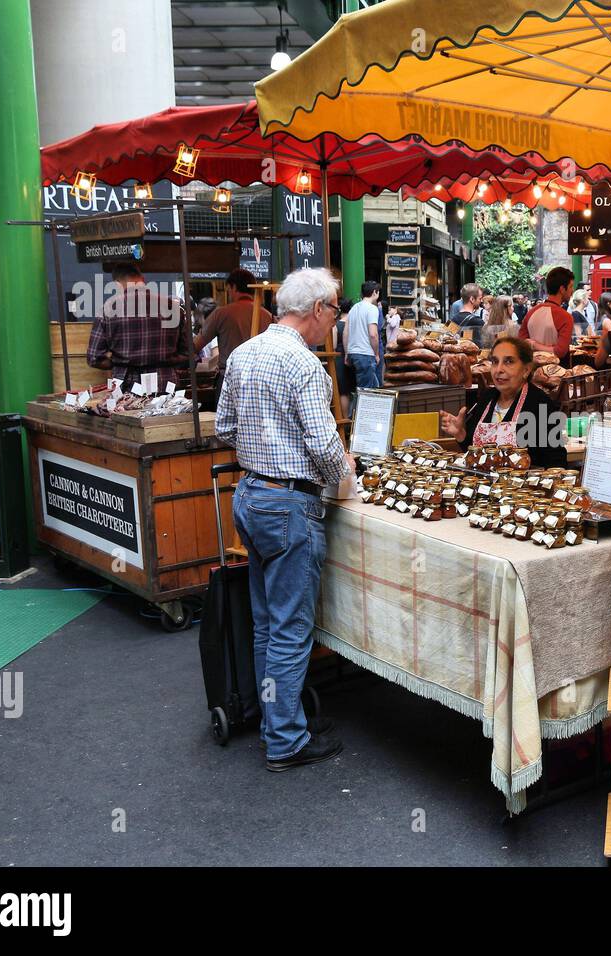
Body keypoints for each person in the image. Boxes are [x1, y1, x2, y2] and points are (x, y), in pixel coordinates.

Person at [216, 267, 353, 772]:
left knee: (267, 623)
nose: (334, 322)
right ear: (317, 309)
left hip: (250, 493)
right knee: (291, 628)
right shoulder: (304, 366)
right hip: (289, 504)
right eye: (335, 311)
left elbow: (225, 425)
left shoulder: (244, 353)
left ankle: (274, 716)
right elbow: (323, 446)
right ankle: (285, 740)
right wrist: (345, 475)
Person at [439, 336, 568, 467]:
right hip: (484, 485)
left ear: (526, 370)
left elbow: (557, 463)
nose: (499, 369)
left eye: (509, 362)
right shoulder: (486, 399)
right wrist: (461, 435)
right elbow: (476, 455)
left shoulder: (541, 405)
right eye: (495, 362)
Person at [87, 263, 187, 390]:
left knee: (127, 410)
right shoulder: (172, 307)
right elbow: (188, 352)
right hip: (165, 382)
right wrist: (168, 360)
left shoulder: (107, 309)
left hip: (126, 384)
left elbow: (94, 358)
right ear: (142, 279)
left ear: (117, 284)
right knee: (167, 410)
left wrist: (118, 362)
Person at [194, 269, 273, 383]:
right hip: (262, 379)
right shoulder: (268, 316)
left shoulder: (221, 314)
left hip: (229, 378)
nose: (229, 294)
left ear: (233, 287)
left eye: (228, 290)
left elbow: (196, 345)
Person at [519, 265, 574, 359]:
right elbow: (560, 352)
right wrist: (535, 345)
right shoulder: (565, 317)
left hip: (532, 368)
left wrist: (533, 345)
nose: (572, 291)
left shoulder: (531, 312)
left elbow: (521, 343)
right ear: (562, 289)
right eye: (571, 287)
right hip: (557, 370)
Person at [344, 280, 382, 390]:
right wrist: (376, 354)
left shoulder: (354, 308)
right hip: (365, 354)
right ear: (375, 292)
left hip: (353, 353)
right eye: (378, 292)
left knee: (363, 389)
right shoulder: (372, 309)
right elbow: (373, 334)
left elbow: (346, 332)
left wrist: (347, 353)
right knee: (366, 392)